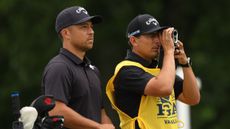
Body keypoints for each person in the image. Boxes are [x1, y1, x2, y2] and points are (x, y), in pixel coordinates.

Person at [106, 14, 200, 129]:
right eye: (151, 36)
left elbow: (193, 98)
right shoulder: (126, 70)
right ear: (134, 40)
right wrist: (169, 51)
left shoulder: (159, 72)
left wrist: (185, 63)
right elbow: (164, 88)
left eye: (158, 35)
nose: (157, 41)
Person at [41, 6, 114, 129]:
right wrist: (97, 127)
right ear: (66, 33)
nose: (91, 31)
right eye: (84, 27)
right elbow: (57, 111)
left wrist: (107, 125)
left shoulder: (93, 70)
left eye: (91, 27)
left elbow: (100, 111)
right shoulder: (59, 68)